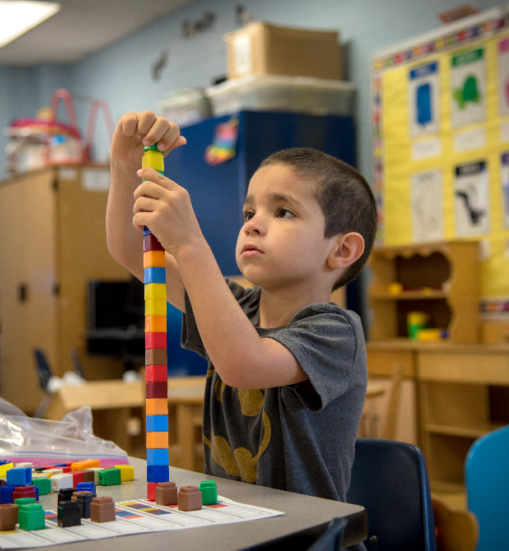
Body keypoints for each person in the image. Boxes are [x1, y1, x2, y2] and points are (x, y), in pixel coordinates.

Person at [107, 111, 376, 502]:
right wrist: (123, 165)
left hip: (308, 537)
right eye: (249, 213)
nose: (252, 224)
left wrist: (189, 243)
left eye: (283, 211)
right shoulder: (237, 308)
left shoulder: (335, 331)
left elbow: (243, 364)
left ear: (342, 249)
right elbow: (132, 250)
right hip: (233, 521)